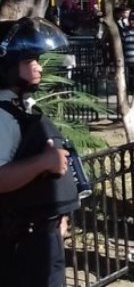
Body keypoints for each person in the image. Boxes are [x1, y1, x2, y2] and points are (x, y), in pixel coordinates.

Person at [0, 17, 78, 287]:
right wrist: (43, 162)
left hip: (43, 235)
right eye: (28, 61)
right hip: (20, 244)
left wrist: (57, 218)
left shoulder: (22, 107)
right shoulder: (2, 115)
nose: (38, 67)